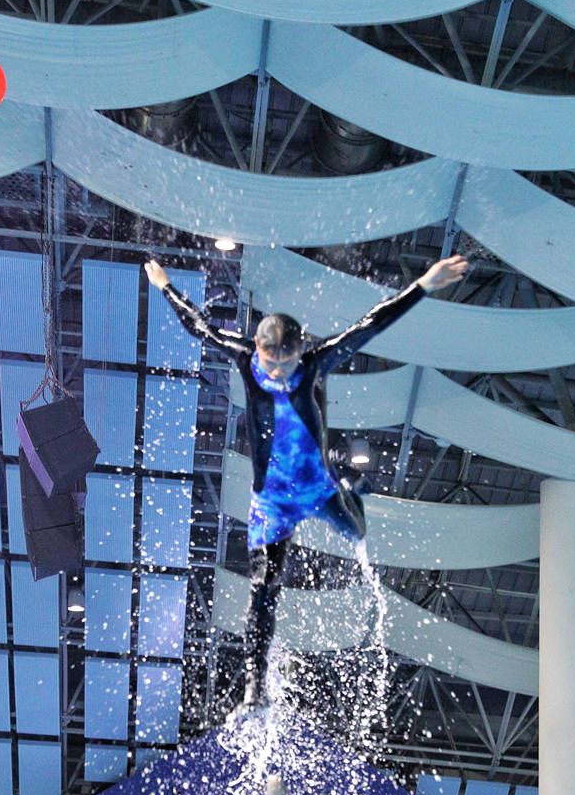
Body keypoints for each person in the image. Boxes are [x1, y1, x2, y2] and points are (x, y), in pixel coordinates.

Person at [144, 252, 467, 707]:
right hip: (272, 500)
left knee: (357, 532)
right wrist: (165, 286)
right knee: (262, 589)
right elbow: (199, 326)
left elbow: (369, 325)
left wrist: (424, 285)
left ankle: (350, 489)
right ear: (258, 350)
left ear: (300, 352)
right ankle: (255, 683)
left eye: (287, 363)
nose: (278, 372)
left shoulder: (315, 363)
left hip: (317, 487)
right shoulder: (244, 358)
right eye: (271, 363)